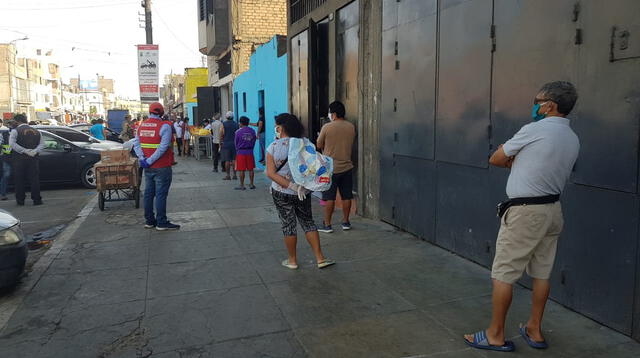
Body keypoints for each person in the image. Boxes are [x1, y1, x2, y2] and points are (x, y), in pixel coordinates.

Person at [464, 81, 580, 352]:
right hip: (552, 211)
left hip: (525, 212)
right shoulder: (572, 137)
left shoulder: (534, 130)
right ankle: (534, 329)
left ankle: (495, 334)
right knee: (542, 273)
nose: (534, 104)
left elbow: (496, 158)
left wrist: (512, 158)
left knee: (503, 273)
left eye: (537, 100)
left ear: (549, 105)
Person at [266, 113, 335, 270]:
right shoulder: (305, 143)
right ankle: (320, 258)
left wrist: (291, 187)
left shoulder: (274, 147)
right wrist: (300, 187)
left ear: (281, 127)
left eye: (277, 125)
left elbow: (271, 173)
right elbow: (314, 164)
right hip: (303, 191)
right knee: (308, 222)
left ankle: (292, 260)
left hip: (282, 192)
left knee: (288, 225)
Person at [133, 102, 181, 231]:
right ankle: (161, 222)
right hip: (162, 166)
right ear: (161, 112)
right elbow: (163, 147)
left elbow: (136, 144)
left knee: (149, 193)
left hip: (147, 167)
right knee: (160, 194)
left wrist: (143, 159)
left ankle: (149, 221)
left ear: (149, 111)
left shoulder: (141, 126)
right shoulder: (164, 126)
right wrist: (150, 160)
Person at [316, 101, 356, 233]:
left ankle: (327, 225)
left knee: (329, 197)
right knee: (347, 196)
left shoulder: (327, 127)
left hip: (330, 169)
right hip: (347, 167)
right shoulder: (351, 126)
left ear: (333, 114)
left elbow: (319, 144)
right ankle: (346, 222)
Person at [9, 114, 45, 206]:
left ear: (17, 121)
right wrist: (34, 151)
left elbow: (12, 144)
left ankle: (20, 200)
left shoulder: (15, 131)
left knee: (19, 180)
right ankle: (37, 200)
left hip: (19, 160)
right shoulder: (37, 131)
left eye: (13, 121)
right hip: (33, 159)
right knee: (34, 180)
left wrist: (24, 151)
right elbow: (42, 144)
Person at [234, 116, 257, 190]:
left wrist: (238, 149)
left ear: (240, 123)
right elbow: (254, 141)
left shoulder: (238, 132)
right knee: (251, 169)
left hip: (241, 152)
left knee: (241, 169)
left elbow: (236, 143)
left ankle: (242, 185)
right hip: (250, 151)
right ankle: (251, 184)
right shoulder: (252, 131)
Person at [220, 111, 239, 180]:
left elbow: (222, 134)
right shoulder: (236, 124)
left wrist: (220, 142)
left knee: (227, 160)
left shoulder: (224, 124)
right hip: (234, 144)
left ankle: (228, 175)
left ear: (226, 117)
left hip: (226, 143)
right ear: (233, 117)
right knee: (234, 160)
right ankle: (234, 175)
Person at [0, 119, 12, 200]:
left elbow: (7, 147)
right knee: (5, 175)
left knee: (5, 175)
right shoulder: (5, 132)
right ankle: (2, 194)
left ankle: (2, 194)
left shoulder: (5, 132)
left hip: (4, 157)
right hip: (5, 158)